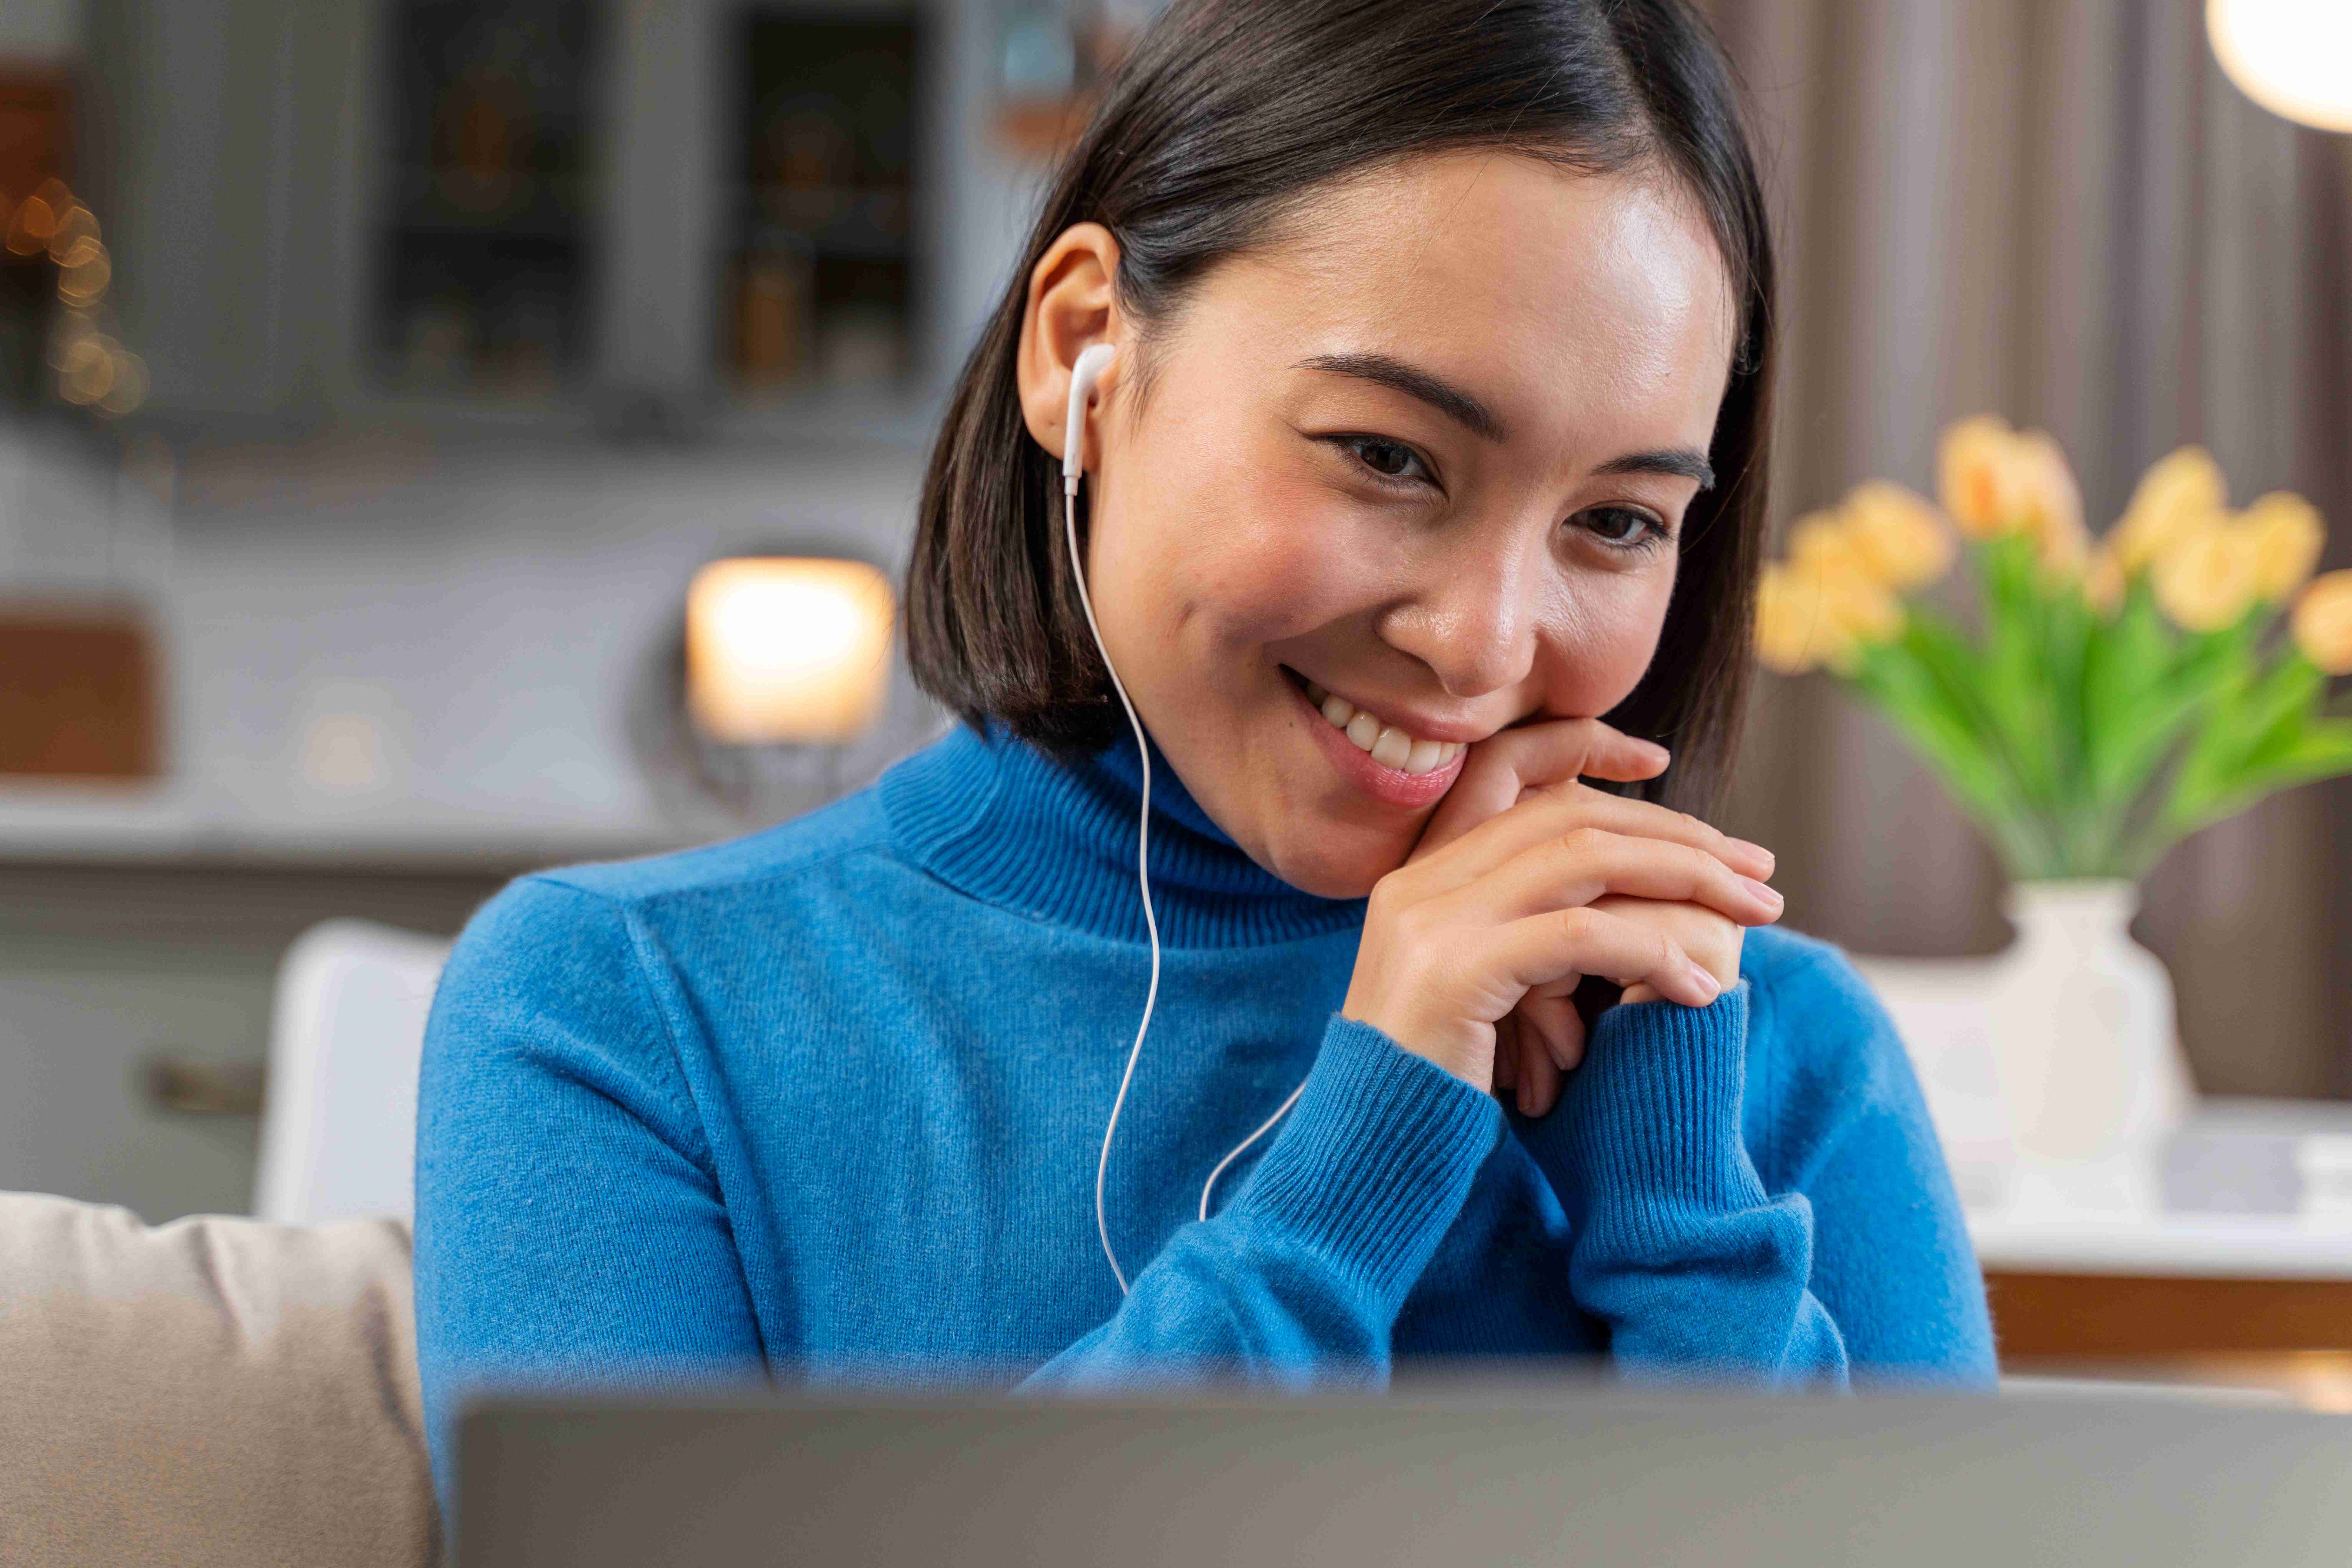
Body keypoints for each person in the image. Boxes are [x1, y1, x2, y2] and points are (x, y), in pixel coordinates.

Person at [414, 0, 1996, 1517]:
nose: (1484, 640)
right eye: (1388, 457)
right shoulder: (622, 1015)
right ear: (1084, 349)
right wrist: (1362, 1141)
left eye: (1614, 521)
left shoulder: (1770, 1062)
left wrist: (1676, 1219)